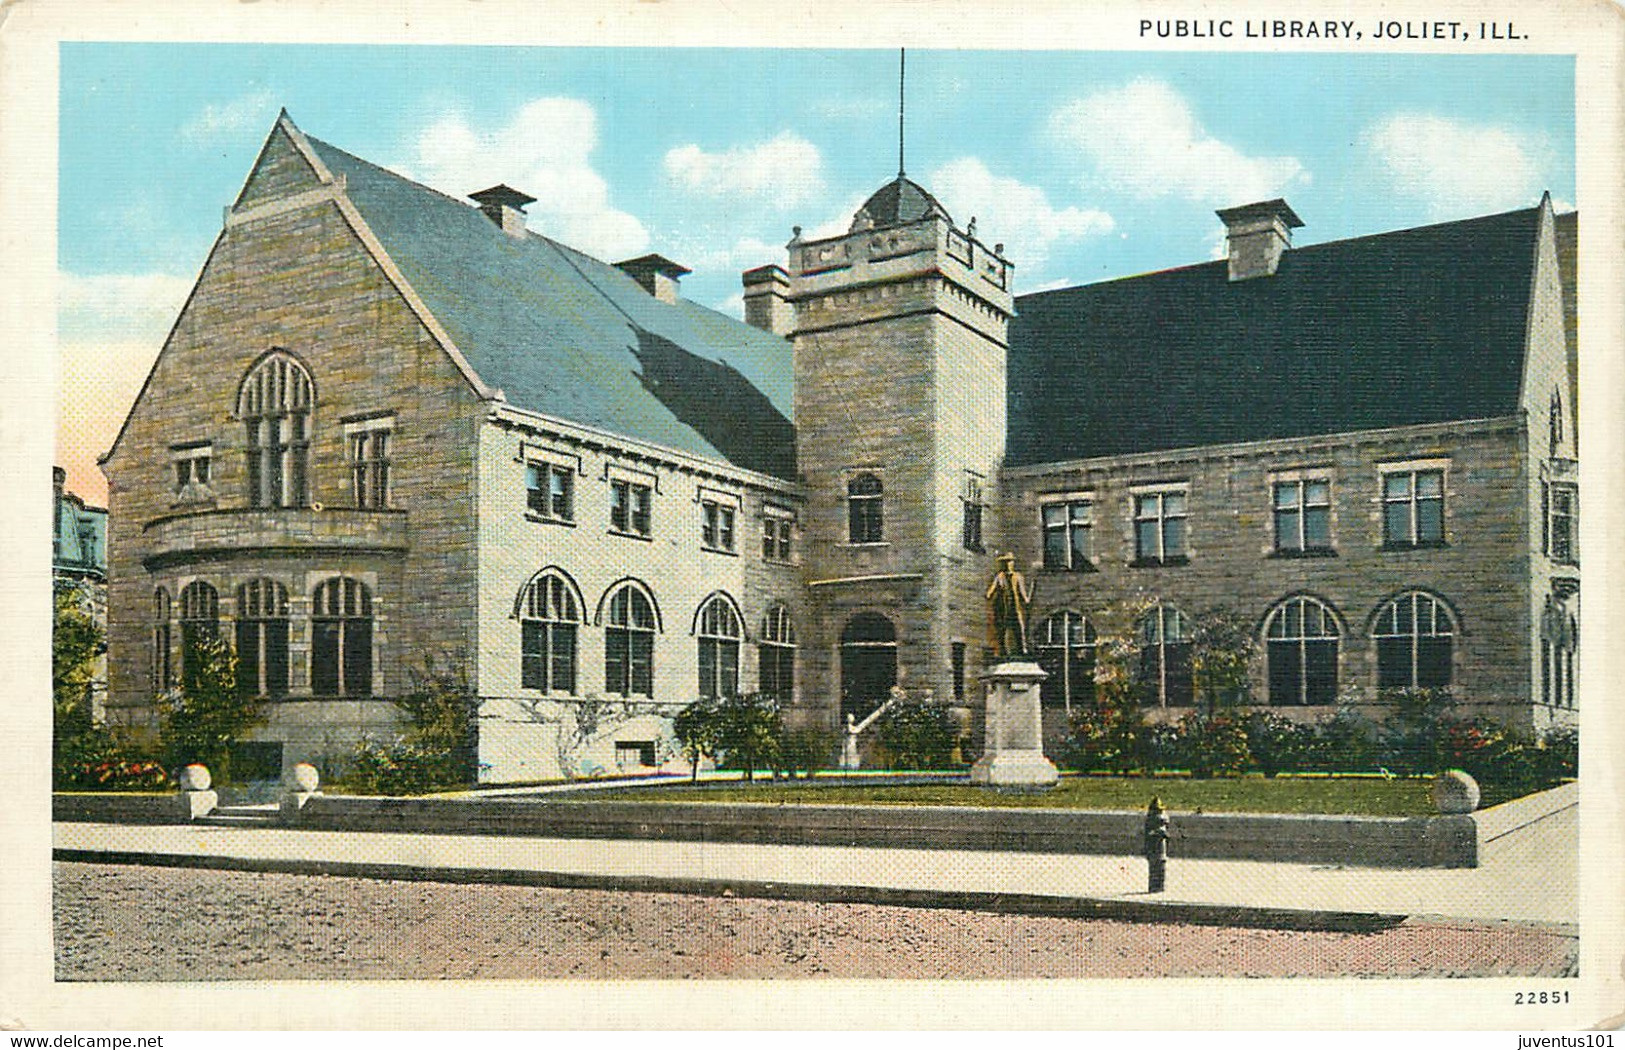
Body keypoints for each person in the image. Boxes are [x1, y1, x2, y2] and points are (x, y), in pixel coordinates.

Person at [985, 552, 1032, 660]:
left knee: (1019, 628)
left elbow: (1022, 592)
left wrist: (1026, 600)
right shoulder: (1000, 576)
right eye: (1005, 562)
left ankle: (1022, 649)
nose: (1008, 564)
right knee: (1002, 629)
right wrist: (990, 594)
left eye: (1010, 561)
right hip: (1003, 607)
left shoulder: (1018, 576)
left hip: (1015, 607)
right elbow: (990, 591)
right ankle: (1002, 650)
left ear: (1013, 563)